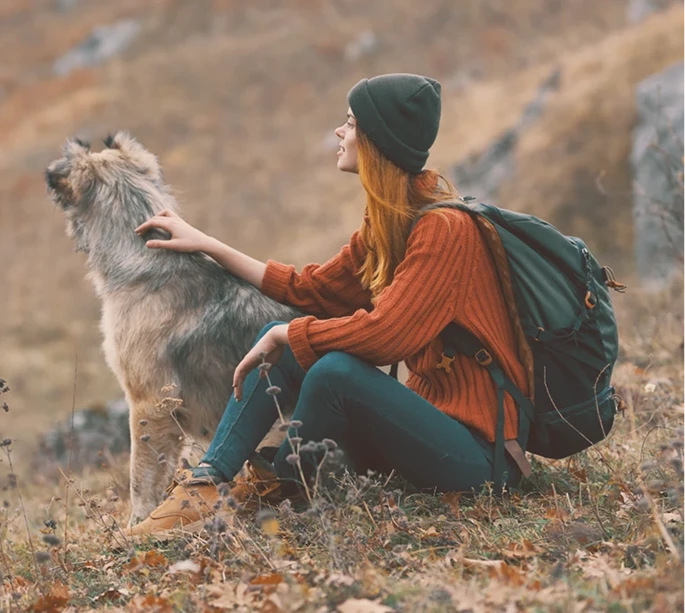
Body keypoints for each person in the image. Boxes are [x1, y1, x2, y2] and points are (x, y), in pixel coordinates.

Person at [124, 73, 533, 537]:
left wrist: (288, 333)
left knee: (331, 369)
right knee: (294, 345)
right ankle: (206, 487)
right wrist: (209, 245)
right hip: (423, 438)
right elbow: (312, 290)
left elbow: (387, 335)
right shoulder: (391, 224)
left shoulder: (445, 231)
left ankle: (276, 484)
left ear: (379, 140)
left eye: (351, 123)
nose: (340, 133)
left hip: (478, 461)